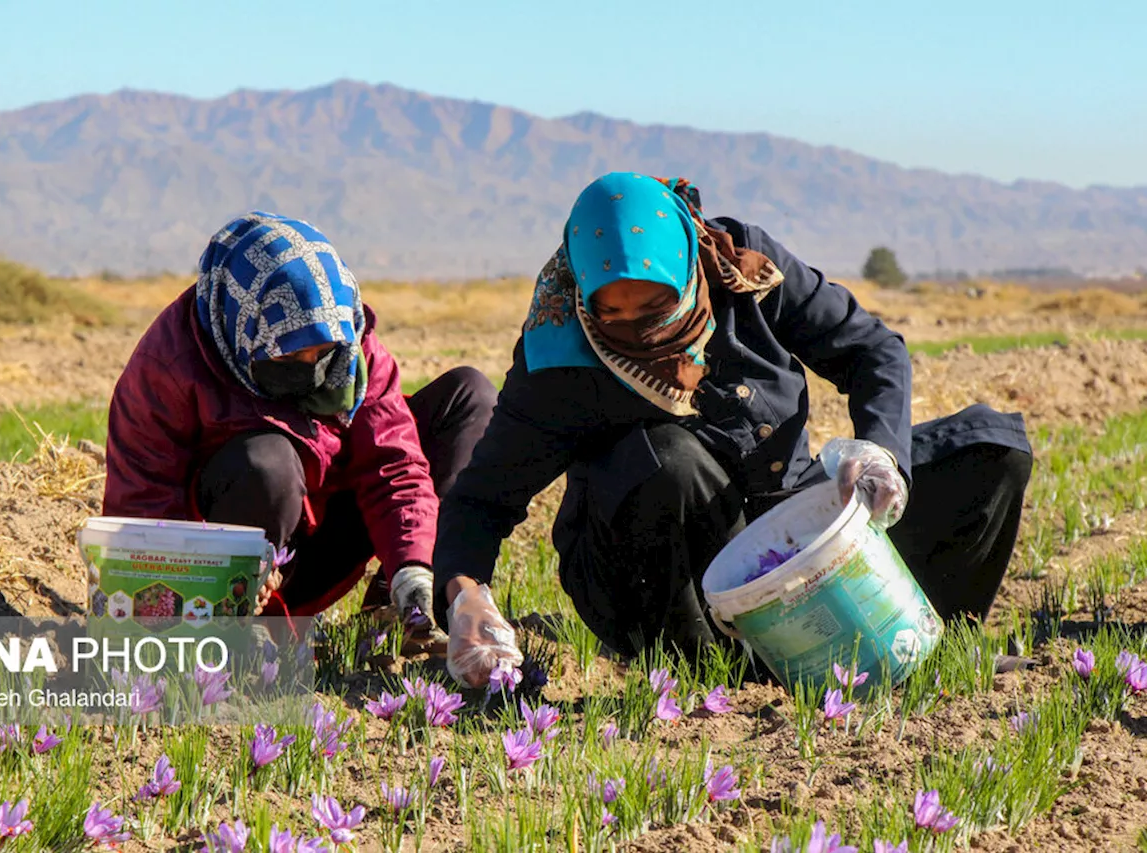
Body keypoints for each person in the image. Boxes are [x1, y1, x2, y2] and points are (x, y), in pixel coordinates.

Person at [432, 172, 1033, 687]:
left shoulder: (741, 265)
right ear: (583, 294)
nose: (637, 330)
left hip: (781, 521)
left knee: (990, 449)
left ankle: (915, 644)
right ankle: (716, 673)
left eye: (654, 307)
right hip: (652, 572)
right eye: (611, 313)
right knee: (670, 458)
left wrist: (879, 453)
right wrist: (465, 597)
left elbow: (872, 351)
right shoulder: (559, 353)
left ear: (689, 270)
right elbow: (481, 502)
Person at [102, 212, 497, 630]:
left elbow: (393, 462)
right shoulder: (169, 365)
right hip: (230, 565)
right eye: (289, 356)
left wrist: (411, 567)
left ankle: (407, 609)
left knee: (470, 396)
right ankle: (239, 625)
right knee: (265, 459)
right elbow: (143, 511)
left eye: (321, 353)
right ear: (246, 326)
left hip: (333, 531)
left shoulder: (348, 341)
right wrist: (192, 595)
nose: (311, 368)